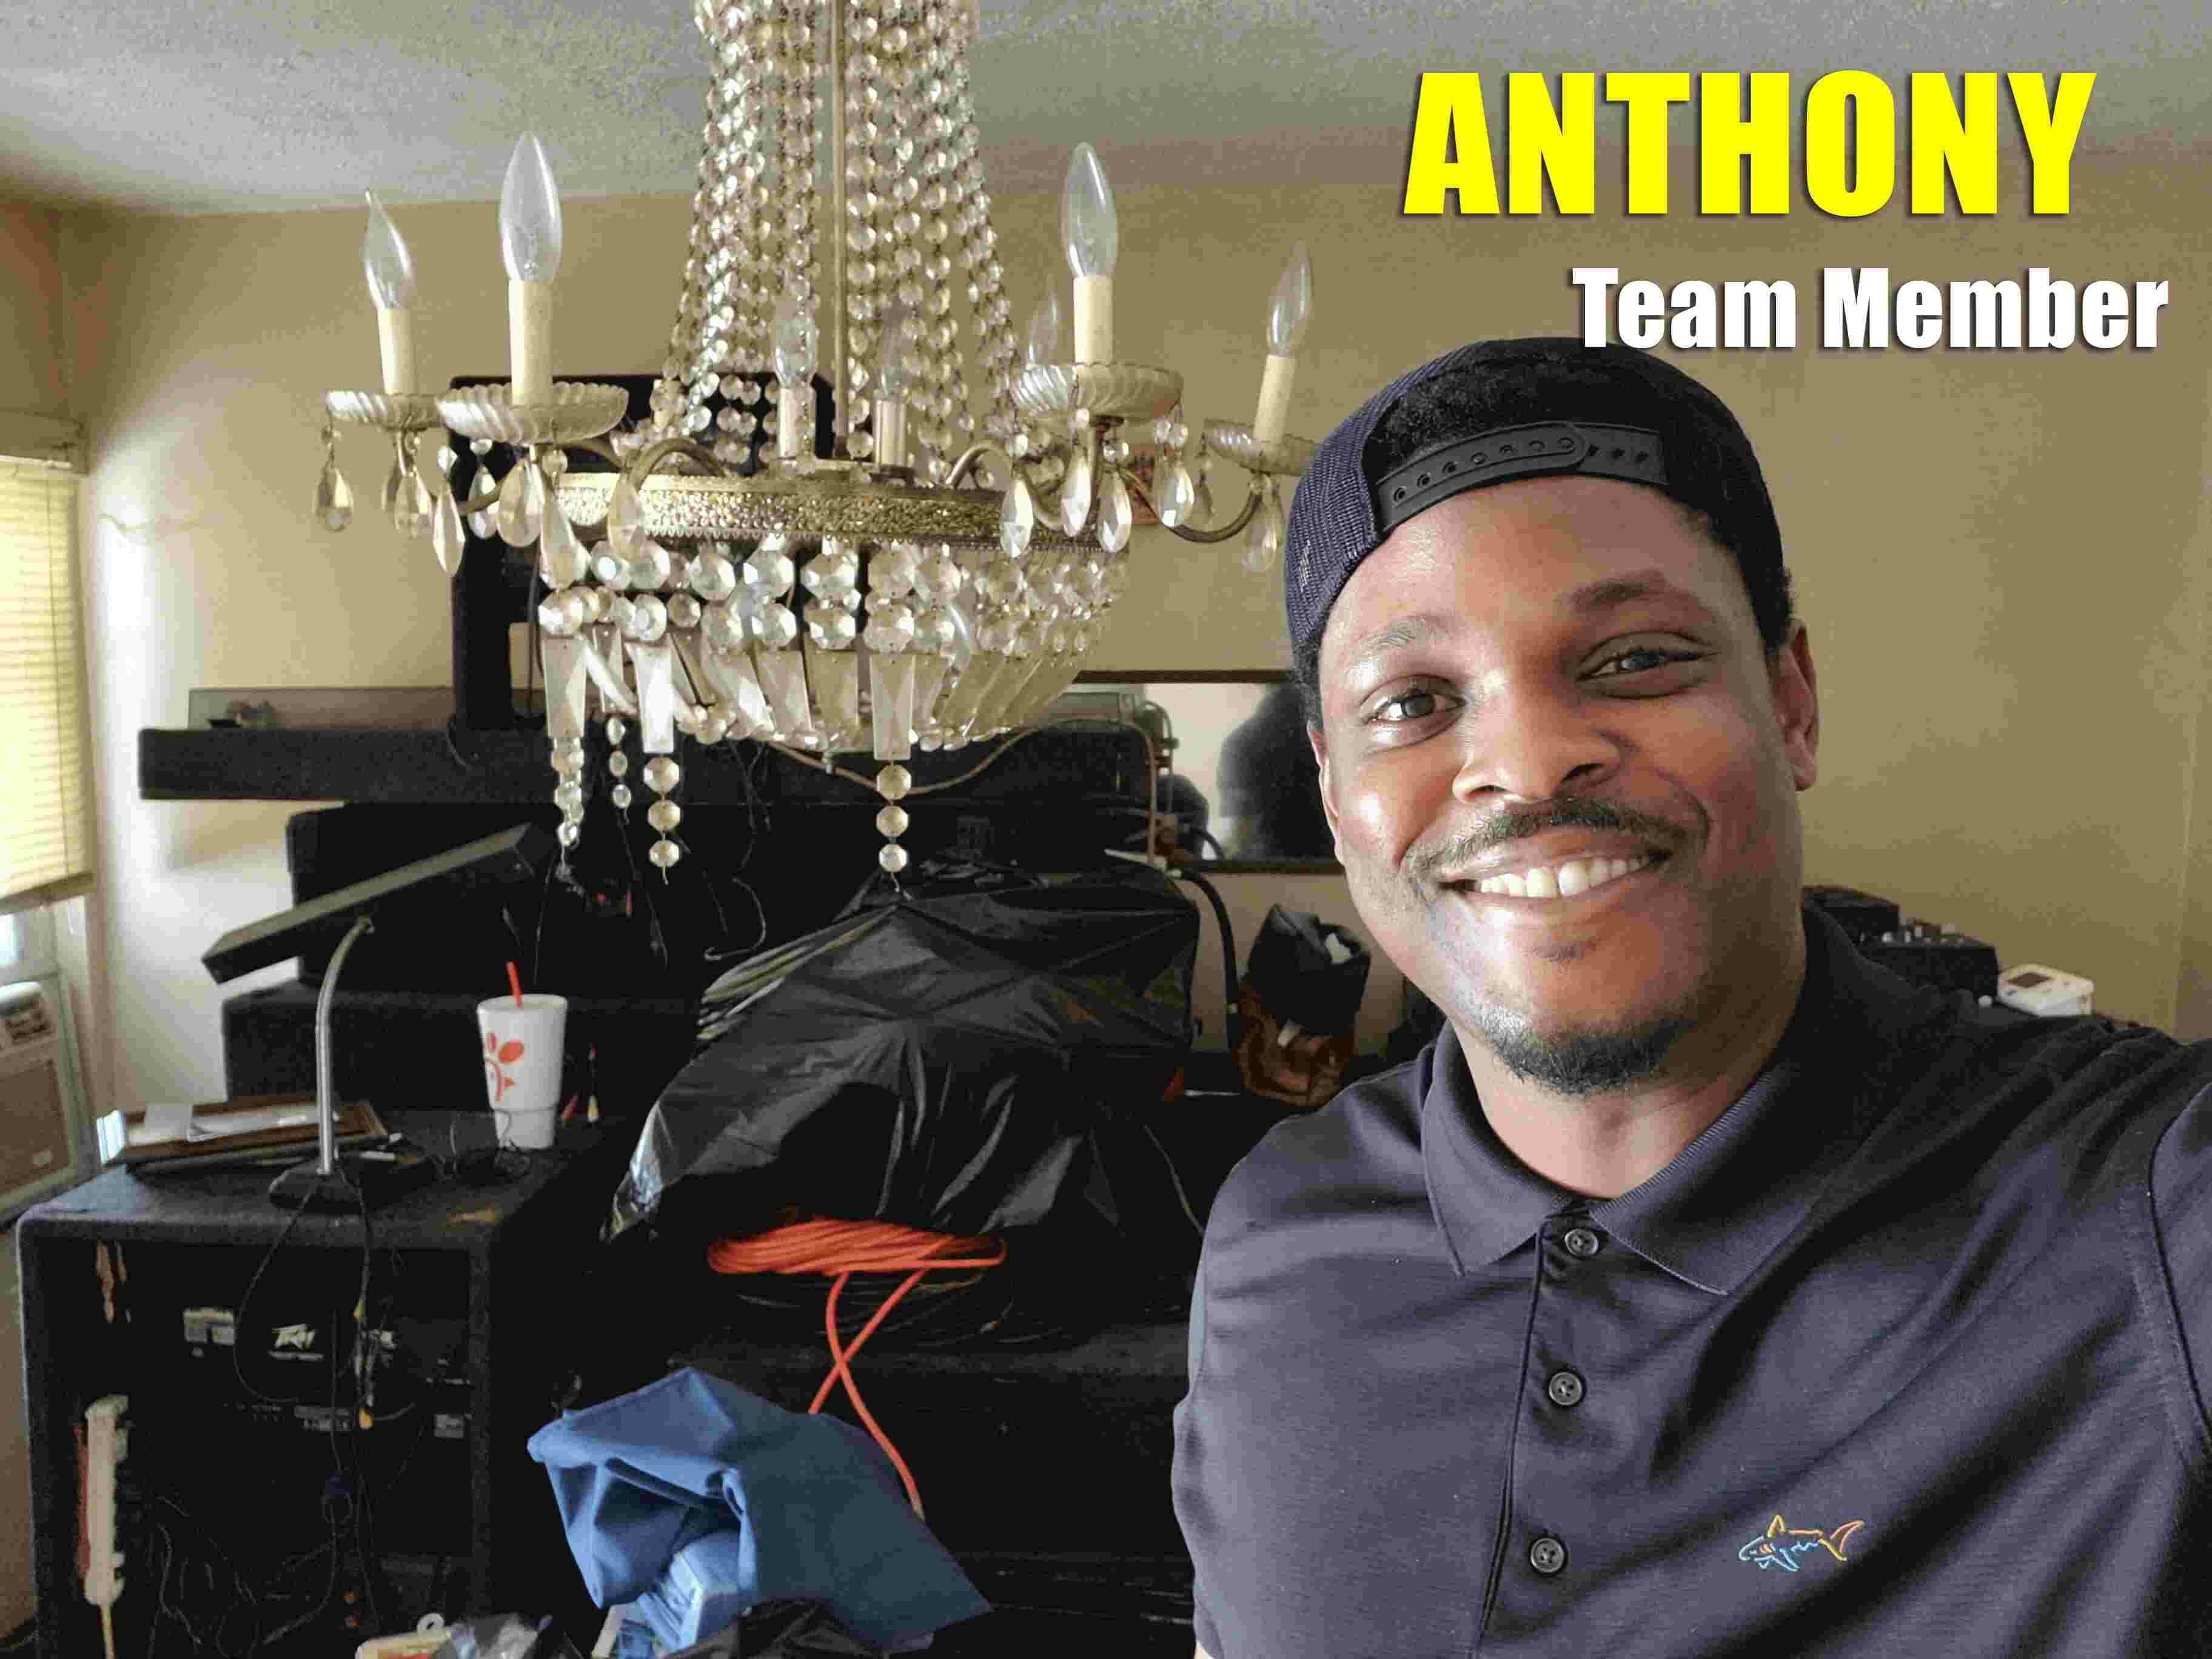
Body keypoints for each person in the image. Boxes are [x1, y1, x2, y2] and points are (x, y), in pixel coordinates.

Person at [1169, 338, 2212, 1657]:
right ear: (1333, 796)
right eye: (1415, 700)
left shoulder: (2146, 1209)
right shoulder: (1276, 1233)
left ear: (1792, 703)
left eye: (1636, 659)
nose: (1529, 763)